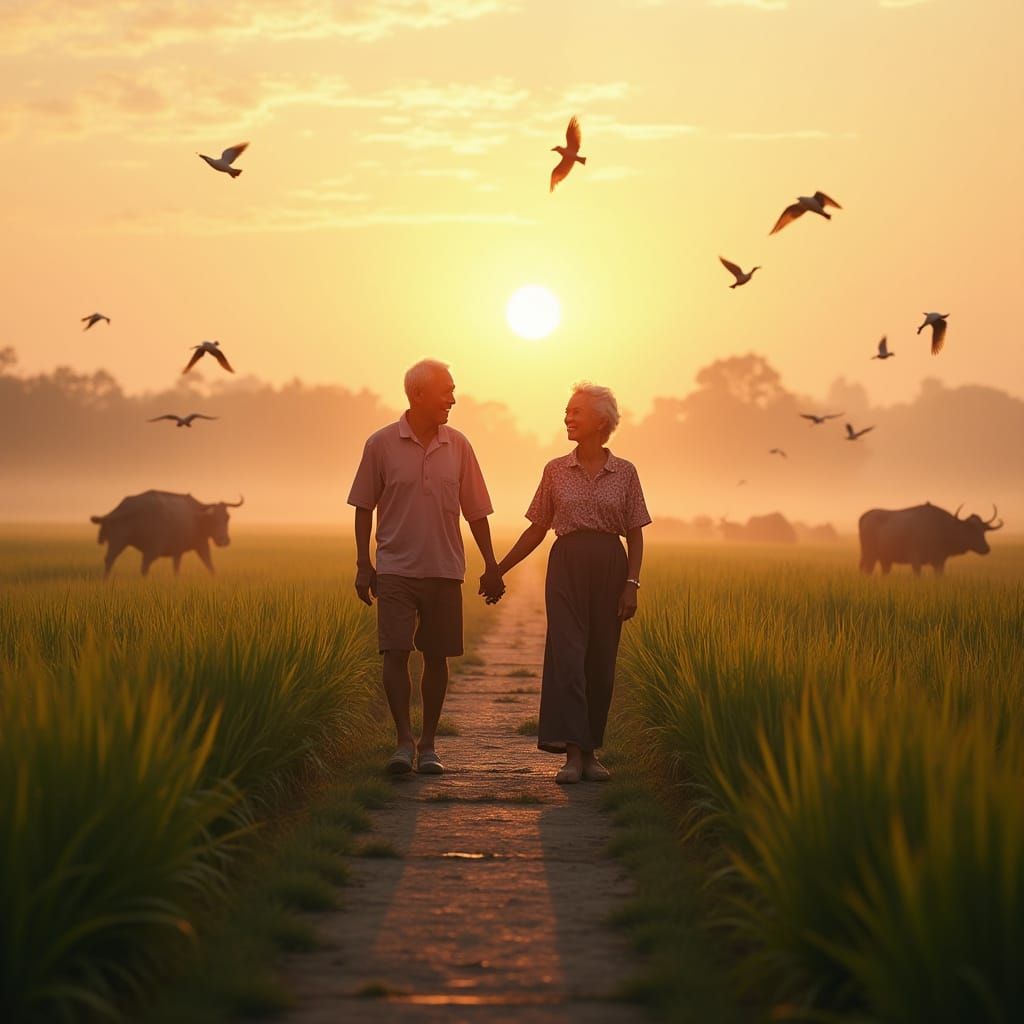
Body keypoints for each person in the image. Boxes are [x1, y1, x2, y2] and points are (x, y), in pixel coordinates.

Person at [483, 383, 651, 784]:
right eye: (567, 411)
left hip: (611, 565)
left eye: (576, 412)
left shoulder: (625, 472)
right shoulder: (555, 470)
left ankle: (592, 753)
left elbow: (636, 533)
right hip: (566, 567)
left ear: (600, 421)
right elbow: (537, 528)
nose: (568, 418)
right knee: (570, 659)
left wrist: (632, 584)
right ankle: (572, 756)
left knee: (601, 664)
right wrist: (498, 569)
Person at [349, 359, 505, 775]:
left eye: (453, 391)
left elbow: (476, 512)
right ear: (417, 395)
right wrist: (364, 564)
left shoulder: (459, 445)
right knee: (395, 652)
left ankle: (429, 744)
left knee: (437, 657)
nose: (453, 399)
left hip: (444, 567)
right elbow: (364, 506)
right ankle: (403, 742)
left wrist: (491, 565)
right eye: (446, 391)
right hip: (396, 569)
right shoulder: (380, 444)